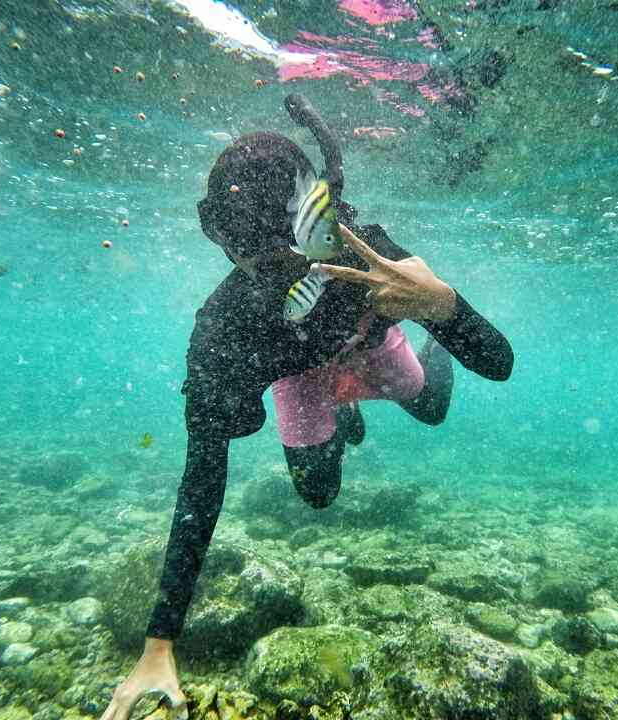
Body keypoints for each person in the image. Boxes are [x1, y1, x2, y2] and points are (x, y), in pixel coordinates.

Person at [100, 95, 513, 720]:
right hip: (302, 379)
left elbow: (499, 364)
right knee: (318, 493)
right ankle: (344, 414)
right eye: (243, 238)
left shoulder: (365, 255)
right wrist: (159, 643)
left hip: (373, 345)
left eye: (282, 235)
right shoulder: (224, 324)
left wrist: (440, 307)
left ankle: (425, 354)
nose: (271, 261)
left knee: (431, 408)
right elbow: (202, 476)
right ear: (218, 232)